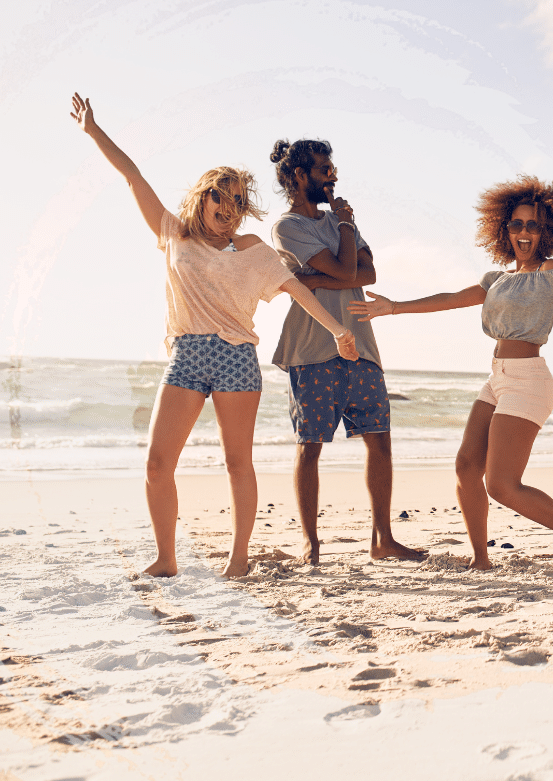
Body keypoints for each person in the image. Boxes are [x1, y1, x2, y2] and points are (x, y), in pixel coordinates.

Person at [70, 94, 360, 578]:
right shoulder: (172, 234)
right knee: (158, 464)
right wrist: (94, 132)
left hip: (236, 358)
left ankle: (239, 558)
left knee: (236, 463)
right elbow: (133, 175)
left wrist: (337, 331)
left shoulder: (253, 250)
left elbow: (297, 292)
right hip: (186, 353)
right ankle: (166, 559)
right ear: (201, 196)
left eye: (237, 201)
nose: (227, 206)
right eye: (219, 196)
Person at [348, 175, 553, 569]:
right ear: (505, 228)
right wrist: (395, 306)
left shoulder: (552, 273)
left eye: (533, 225)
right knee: (466, 467)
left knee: (502, 485)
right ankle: (480, 559)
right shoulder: (497, 279)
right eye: (517, 224)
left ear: (546, 231)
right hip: (497, 378)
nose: (525, 232)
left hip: (529, 380)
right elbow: (452, 299)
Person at [269, 139, 424, 566]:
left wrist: (316, 279)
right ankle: (311, 544)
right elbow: (345, 269)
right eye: (323, 169)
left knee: (380, 443)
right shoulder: (287, 227)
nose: (332, 176)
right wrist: (340, 248)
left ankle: (383, 540)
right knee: (310, 444)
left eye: (332, 168)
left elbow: (367, 272)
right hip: (313, 347)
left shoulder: (341, 223)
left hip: (363, 344)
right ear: (299, 176)